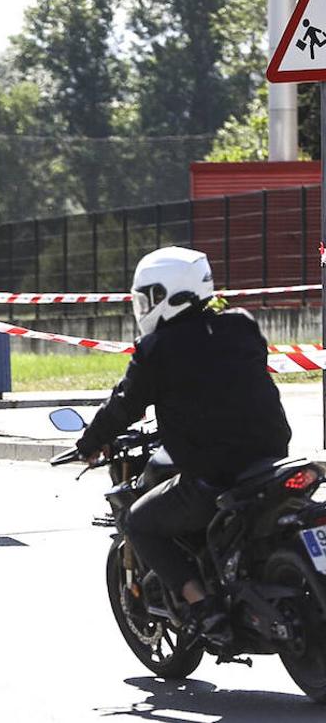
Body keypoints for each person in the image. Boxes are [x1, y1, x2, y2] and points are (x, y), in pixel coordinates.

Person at [75, 246, 291, 643]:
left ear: (167, 295)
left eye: (148, 298)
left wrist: (90, 441)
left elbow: (125, 403)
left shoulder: (158, 350)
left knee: (139, 522)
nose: (145, 308)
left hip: (214, 475)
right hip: (271, 459)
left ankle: (204, 608)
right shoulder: (242, 325)